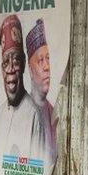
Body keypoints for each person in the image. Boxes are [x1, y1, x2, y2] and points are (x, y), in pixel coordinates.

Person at [0, 14, 56, 175]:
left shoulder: (34, 115)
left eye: (16, 60)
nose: (10, 69)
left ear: (24, 65)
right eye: (5, 62)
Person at [26, 18, 57, 157]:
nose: (46, 66)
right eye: (40, 60)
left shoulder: (53, 113)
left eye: (48, 58)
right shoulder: (23, 111)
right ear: (30, 69)